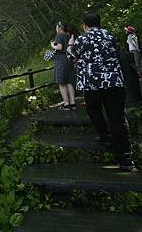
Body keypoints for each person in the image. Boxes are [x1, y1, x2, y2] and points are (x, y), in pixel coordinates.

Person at [67, 13, 135, 171]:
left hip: (92, 83)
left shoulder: (82, 39)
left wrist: (71, 45)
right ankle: (126, 159)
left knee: (93, 109)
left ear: (85, 25)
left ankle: (105, 136)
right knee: (117, 118)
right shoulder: (110, 36)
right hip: (114, 82)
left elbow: (71, 55)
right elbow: (118, 53)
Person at [51, 22, 76, 110]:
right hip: (69, 60)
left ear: (60, 28)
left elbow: (59, 47)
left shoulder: (59, 35)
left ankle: (66, 104)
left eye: (56, 27)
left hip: (61, 60)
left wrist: (53, 45)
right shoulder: (69, 36)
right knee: (69, 82)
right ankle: (73, 103)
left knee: (62, 83)